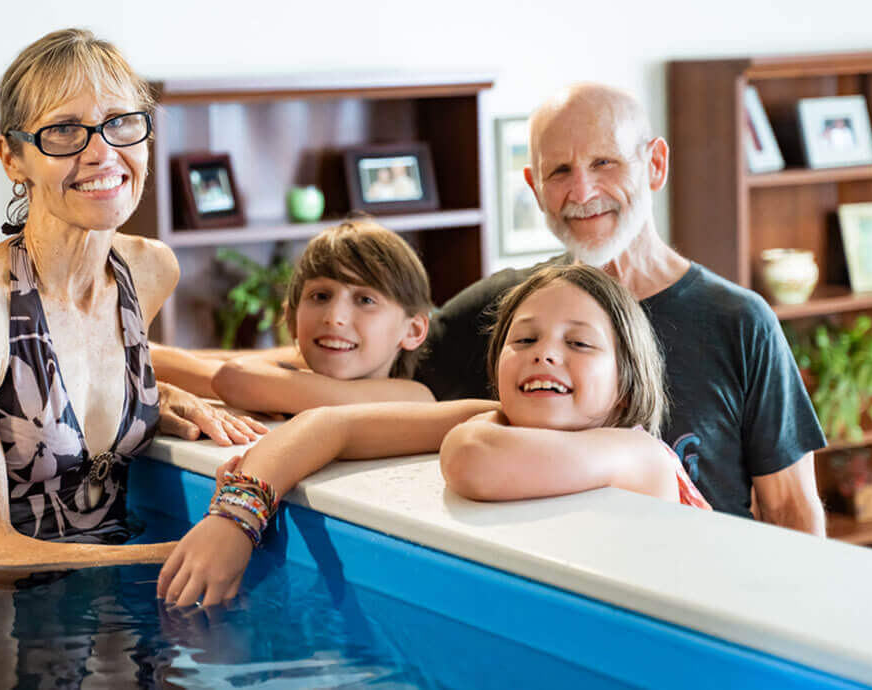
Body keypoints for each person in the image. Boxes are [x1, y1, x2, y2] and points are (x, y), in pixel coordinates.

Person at [0, 29, 266, 569]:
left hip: (115, 607)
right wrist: (194, 552)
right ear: (12, 158)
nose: (102, 153)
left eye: (120, 123)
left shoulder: (149, 270)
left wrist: (161, 398)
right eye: (65, 130)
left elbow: (83, 373)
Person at [156, 263, 709, 608]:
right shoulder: (500, 419)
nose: (546, 352)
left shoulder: (638, 455)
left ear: (625, 382)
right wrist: (235, 516)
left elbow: (473, 460)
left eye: (580, 344)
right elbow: (331, 425)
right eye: (525, 339)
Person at [413, 83, 826, 533]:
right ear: (534, 187)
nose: (583, 191)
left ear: (655, 164)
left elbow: (790, 509)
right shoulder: (502, 309)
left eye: (604, 163)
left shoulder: (740, 321)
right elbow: (390, 374)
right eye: (559, 172)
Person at [210, 219, 434, 415]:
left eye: (365, 300)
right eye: (320, 296)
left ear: (412, 330)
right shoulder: (290, 387)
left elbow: (233, 377)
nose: (334, 317)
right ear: (291, 318)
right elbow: (231, 378)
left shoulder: (414, 398)